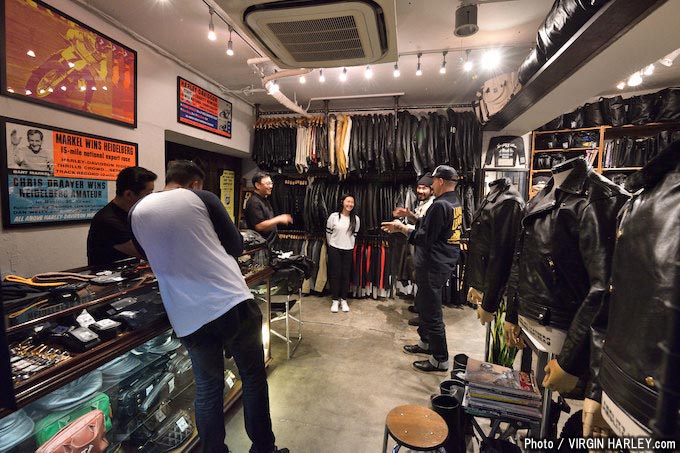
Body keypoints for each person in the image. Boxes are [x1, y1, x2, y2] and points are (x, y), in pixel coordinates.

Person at [129, 160, 287, 453]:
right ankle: (264, 448)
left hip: (187, 315)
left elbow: (146, 255)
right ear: (194, 184)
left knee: (207, 389)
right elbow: (236, 246)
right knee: (252, 378)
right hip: (229, 301)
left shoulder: (136, 211)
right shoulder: (202, 198)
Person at [382, 165, 462, 373]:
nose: (431, 185)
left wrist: (401, 228)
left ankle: (440, 359)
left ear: (440, 181)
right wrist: (410, 217)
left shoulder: (439, 205)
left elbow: (424, 237)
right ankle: (426, 343)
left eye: (433, 181)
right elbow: (430, 226)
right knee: (425, 306)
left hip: (433, 264)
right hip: (442, 261)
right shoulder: (454, 202)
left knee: (432, 311)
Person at [86, 166, 157, 266]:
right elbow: (146, 253)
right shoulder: (108, 220)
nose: (151, 198)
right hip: (109, 274)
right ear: (128, 194)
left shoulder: (133, 214)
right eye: (148, 194)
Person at [392, 173, 434, 325]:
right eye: (419, 188)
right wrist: (409, 214)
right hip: (418, 246)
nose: (420, 191)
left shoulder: (432, 206)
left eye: (424, 188)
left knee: (425, 283)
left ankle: (424, 317)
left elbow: (424, 230)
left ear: (432, 190)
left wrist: (402, 228)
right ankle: (419, 306)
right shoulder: (424, 204)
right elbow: (419, 222)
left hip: (425, 250)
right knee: (419, 279)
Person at [325, 193, 360, 313]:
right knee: (335, 275)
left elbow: (354, 235)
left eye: (352, 202)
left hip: (348, 249)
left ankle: (343, 299)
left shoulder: (356, 219)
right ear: (342, 202)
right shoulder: (334, 217)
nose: (350, 204)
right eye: (348, 201)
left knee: (346, 275)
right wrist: (332, 245)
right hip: (335, 248)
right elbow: (328, 233)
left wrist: (349, 245)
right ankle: (335, 300)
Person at [244, 172, 293, 244]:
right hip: (261, 245)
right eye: (267, 184)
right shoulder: (254, 202)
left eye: (271, 183)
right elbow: (259, 226)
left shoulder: (264, 199)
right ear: (257, 185)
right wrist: (279, 219)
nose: (271, 186)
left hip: (269, 242)